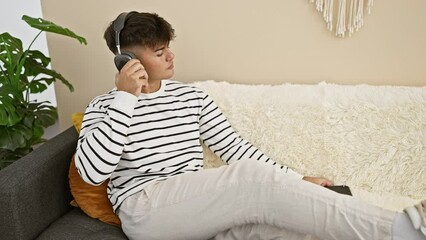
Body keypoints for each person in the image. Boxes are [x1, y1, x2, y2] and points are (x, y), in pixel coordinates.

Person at [75, 11, 426, 240]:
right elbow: (92, 173)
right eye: (159, 51)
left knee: (288, 228)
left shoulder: (191, 97)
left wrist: (296, 181)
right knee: (246, 179)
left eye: (169, 47)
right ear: (128, 59)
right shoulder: (105, 105)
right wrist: (125, 99)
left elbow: (236, 149)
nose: (171, 56)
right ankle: (397, 228)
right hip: (146, 211)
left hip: (198, 205)